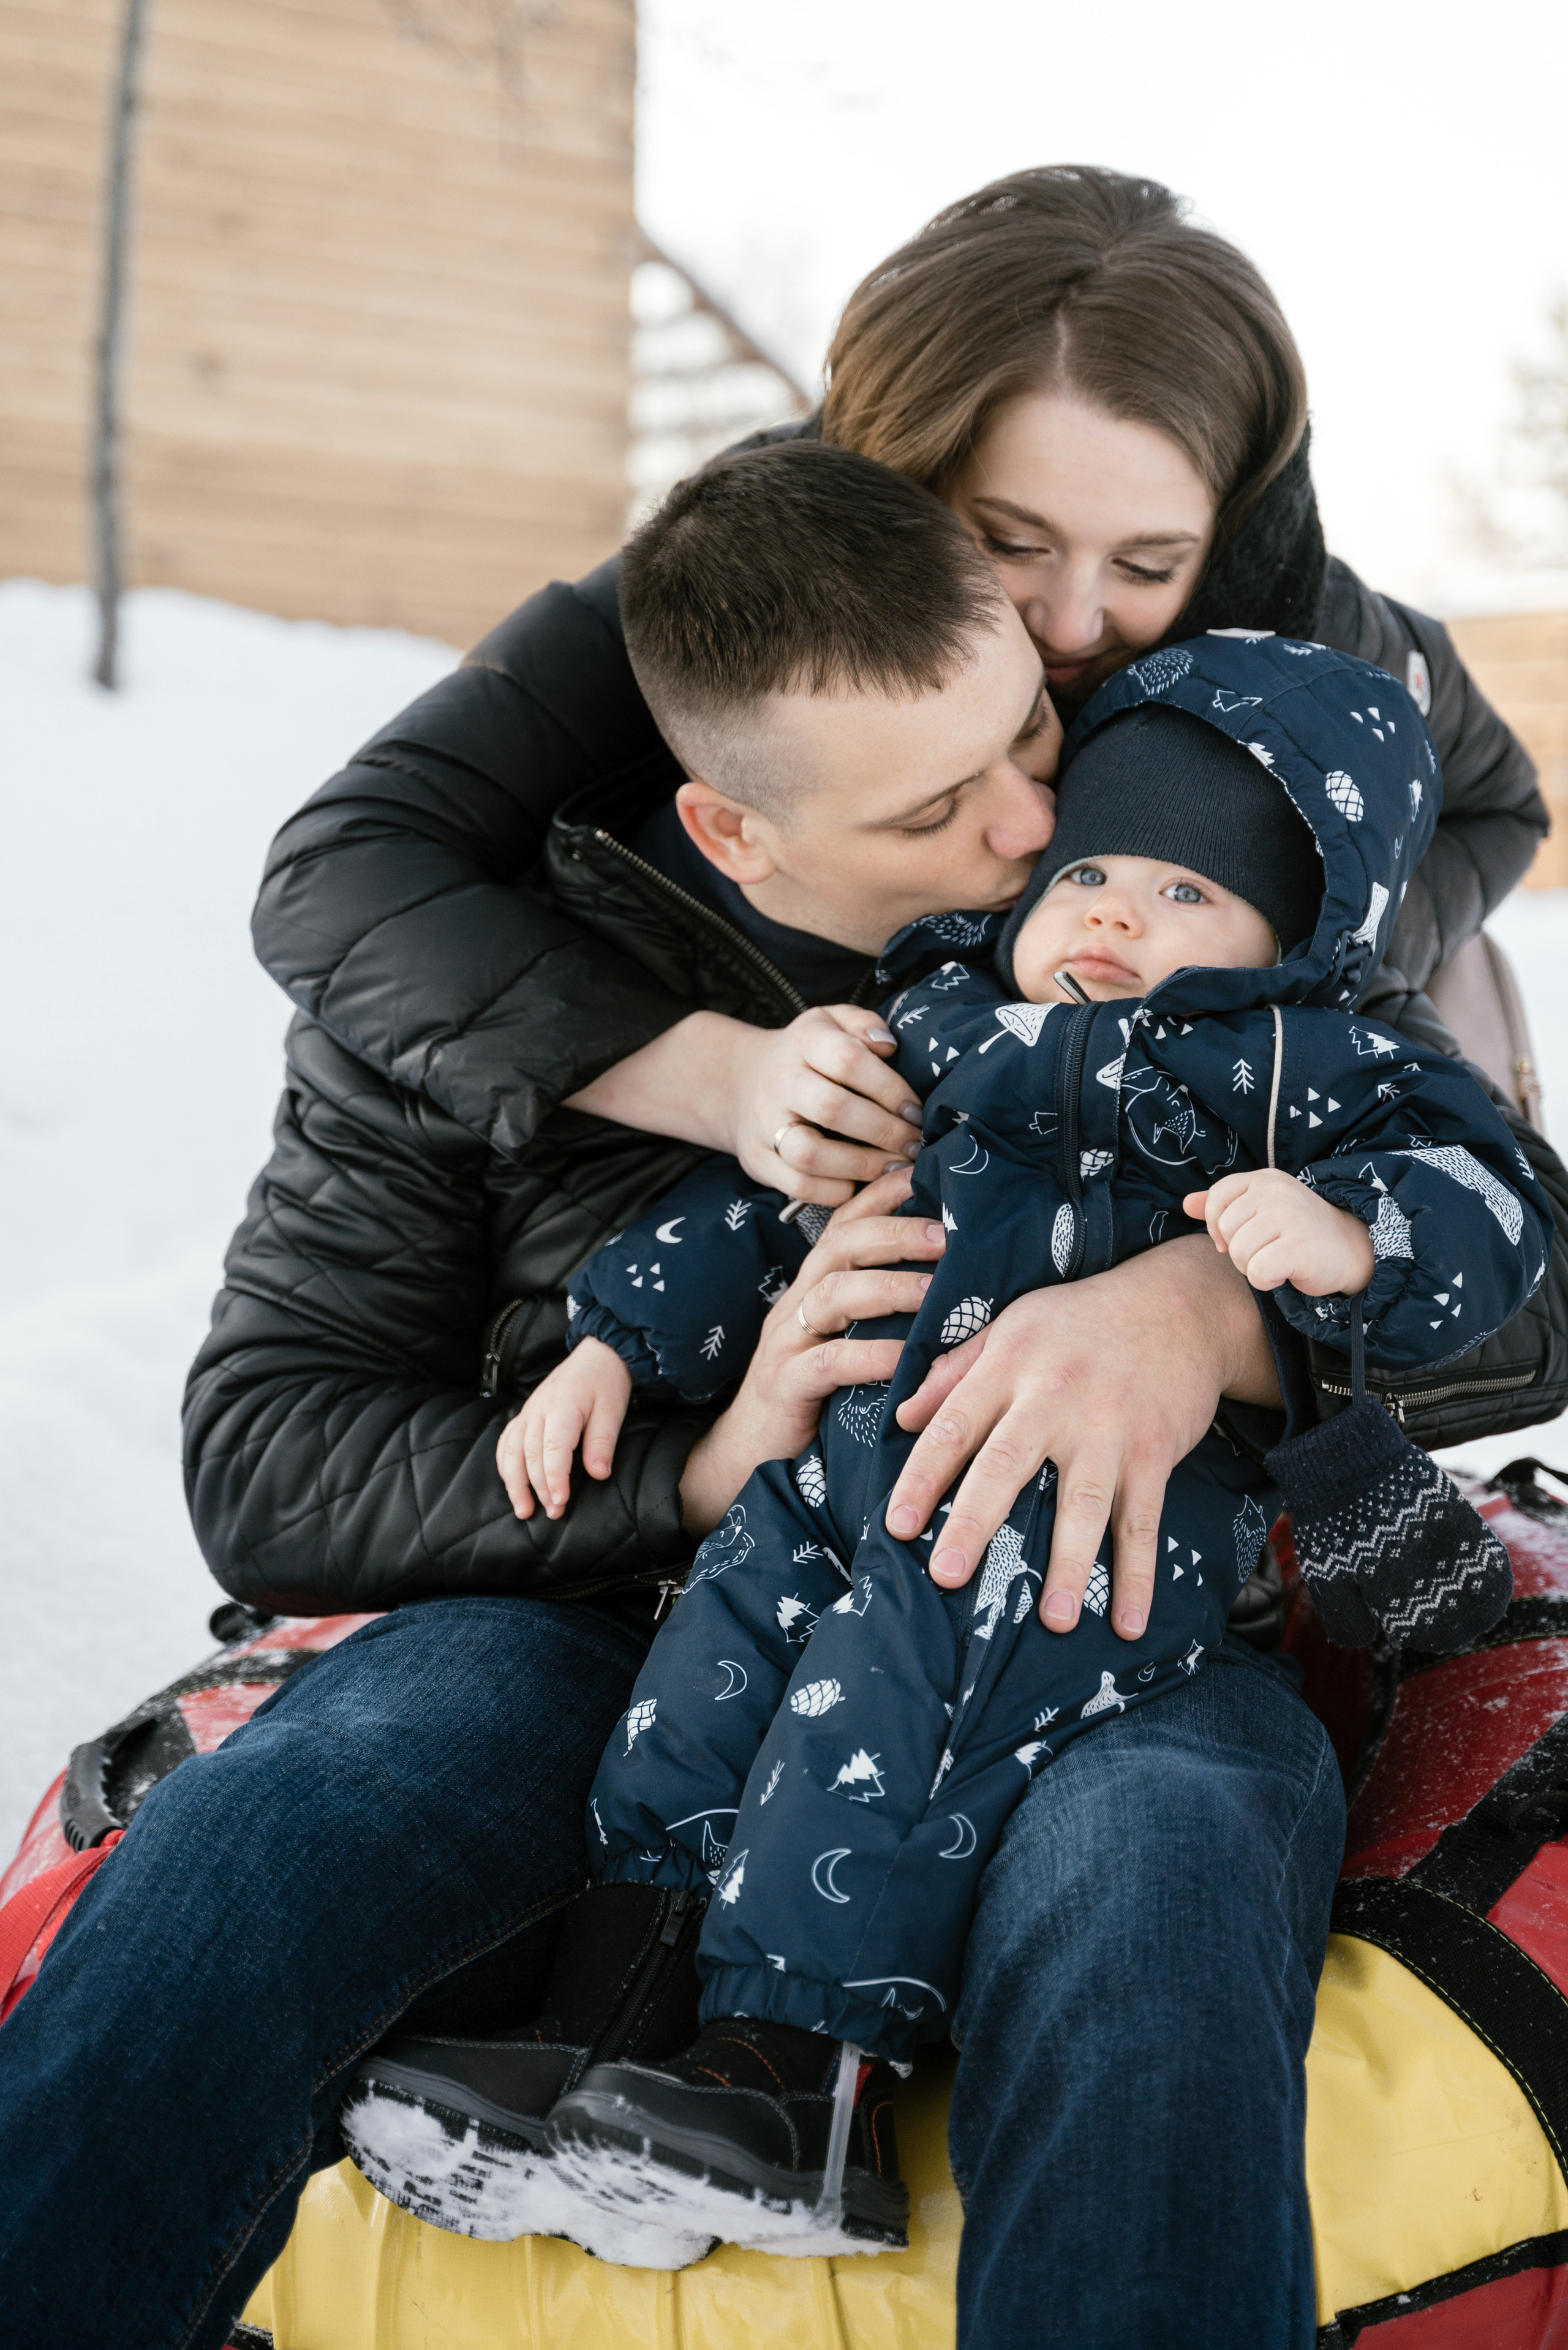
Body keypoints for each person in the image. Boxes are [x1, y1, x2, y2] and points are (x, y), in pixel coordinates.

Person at [0, 170, 1555, 2350]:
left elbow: (1500, 1245)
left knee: (1160, 1872)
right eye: (1009, 564)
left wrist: (1215, 1313)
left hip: (1107, 1609)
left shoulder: (1204, 887)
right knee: (298, 1833)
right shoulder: (507, 930)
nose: (1040, 815)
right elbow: (277, 1459)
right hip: (594, 1616)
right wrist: (699, 1465)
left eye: (1065, 722)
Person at [336, 473, 1542, 2263]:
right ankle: (605, 2031)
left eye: (1187, 890)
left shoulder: (1303, 1072)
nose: (1116, 915)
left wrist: (1329, 1251)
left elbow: (1494, 1206)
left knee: (884, 1733)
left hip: (1065, 1539)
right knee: (696, 1709)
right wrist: (610, 1340)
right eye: (1097, 871)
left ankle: (793, 2084)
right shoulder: (943, 1020)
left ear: (1290, 939)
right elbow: (765, 1213)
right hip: (825, 1497)